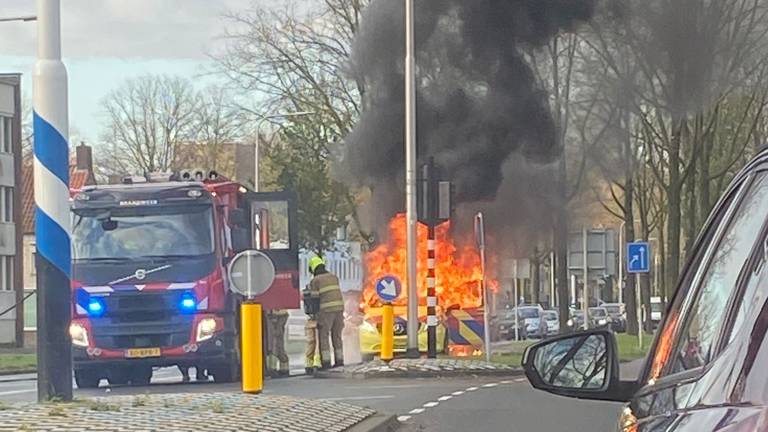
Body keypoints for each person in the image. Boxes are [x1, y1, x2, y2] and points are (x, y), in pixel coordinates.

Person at [307, 256, 344, 369]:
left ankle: (326, 362)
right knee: (336, 335)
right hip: (339, 309)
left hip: (326, 311)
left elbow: (314, 300)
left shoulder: (315, 280)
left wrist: (314, 315)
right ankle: (339, 361)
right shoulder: (334, 277)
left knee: (323, 335)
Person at [265, 308, 290, 377]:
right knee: (277, 341)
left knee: (275, 341)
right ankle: (283, 368)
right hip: (277, 313)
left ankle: (274, 368)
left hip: (275, 314)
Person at [303, 284, 321, 375]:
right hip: (315, 321)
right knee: (315, 342)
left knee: (313, 343)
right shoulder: (319, 294)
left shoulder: (308, 295)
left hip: (313, 321)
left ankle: (311, 365)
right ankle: (313, 364)